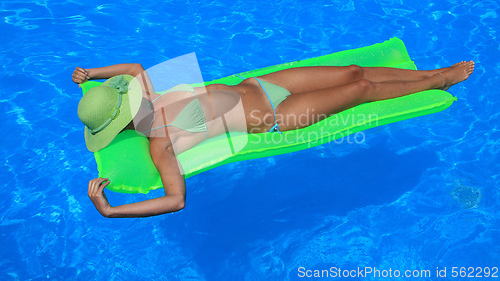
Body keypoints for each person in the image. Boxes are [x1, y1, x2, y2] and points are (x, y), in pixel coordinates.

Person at [73, 59, 475, 218]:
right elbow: (176, 199)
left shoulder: (151, 95)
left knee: (354, 71)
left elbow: (135, 66)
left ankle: (431, 73)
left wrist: (92, 74)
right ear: (124, 120)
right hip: (276, 116)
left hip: (264, 84)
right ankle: (439, 80)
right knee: (363, 90)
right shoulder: (160, 142)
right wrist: (110, 211)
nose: (134, 89)